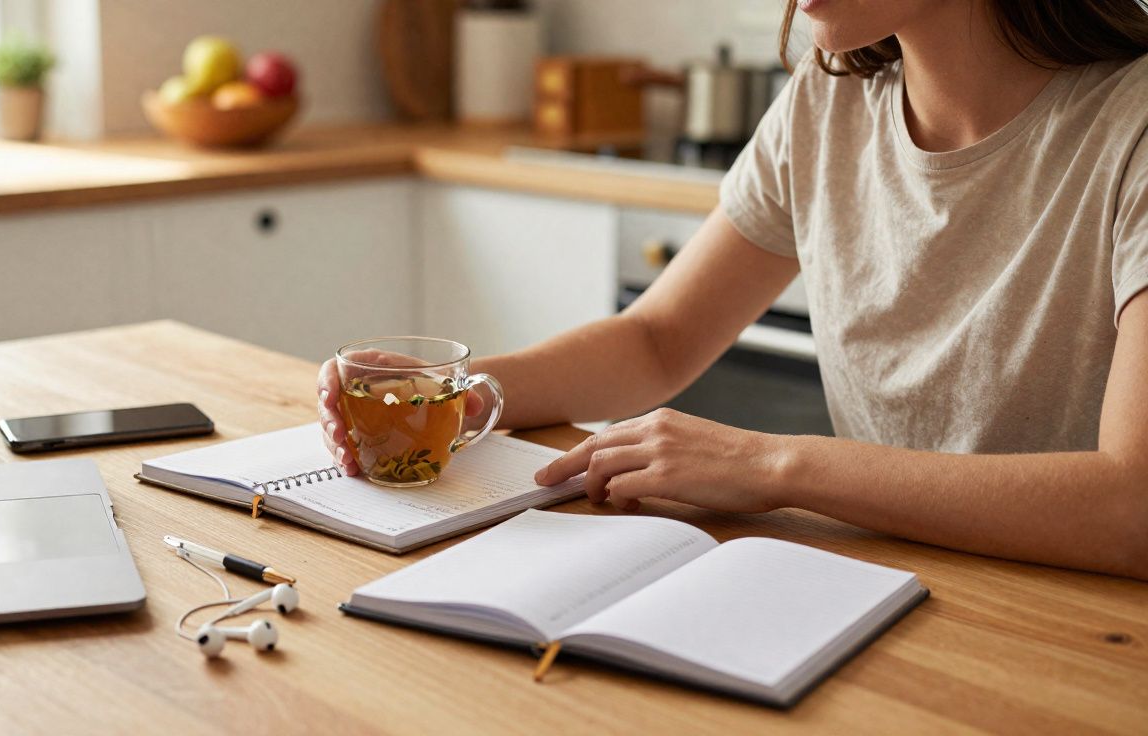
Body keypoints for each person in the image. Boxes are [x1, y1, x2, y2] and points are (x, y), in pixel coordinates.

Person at [320, 0, 1148, 580]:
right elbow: (658, 340)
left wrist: (774, 465)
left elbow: (1131, 507)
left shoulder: (1131, 127)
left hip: (1075, 628)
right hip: (878, 583)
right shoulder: (828, 99)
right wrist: (461, 394)